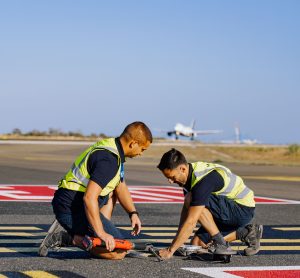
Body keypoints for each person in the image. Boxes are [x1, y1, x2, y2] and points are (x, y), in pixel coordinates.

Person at [38, 122, 152, 260]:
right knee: (118, 253)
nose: (141, 154)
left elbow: (120, 185)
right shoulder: (109, 160)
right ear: (133, 143)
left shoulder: (113, 147)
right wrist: (102, 233)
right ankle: (67, 237)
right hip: (71, 208)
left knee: (111, 191)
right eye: (142, 149)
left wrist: (133, 213)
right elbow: (89, 197)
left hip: (73, 201)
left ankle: (93, 234)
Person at [157, 148, 263, 260]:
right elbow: (186, 213)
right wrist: (176, 241)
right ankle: (247, 232)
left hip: (241, 209)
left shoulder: (203, 182)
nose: (170, 181)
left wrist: (170, 250)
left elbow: (191, 221)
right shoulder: (188, 177)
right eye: (168, 178)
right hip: (225, 210)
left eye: (172, 177)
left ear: (182, 169)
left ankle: (220, 243)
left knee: (193, 199)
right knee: (197, 244)